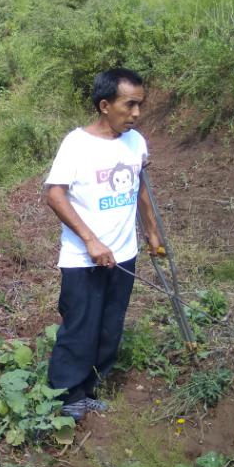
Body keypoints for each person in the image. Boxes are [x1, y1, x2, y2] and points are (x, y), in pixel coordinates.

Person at [43, 68, 163, 421]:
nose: (136, 113)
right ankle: (68, 395)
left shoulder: (136, 142)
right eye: (130, 105)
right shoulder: (77, 144)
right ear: (105, 105)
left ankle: (90, 388)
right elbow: (54, 195)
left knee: (110, 326)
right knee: (80, 327)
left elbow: (139, 188)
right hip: (84, 258)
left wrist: (151, 231)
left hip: (124, 254)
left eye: (140, 105)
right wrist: (91, 241)